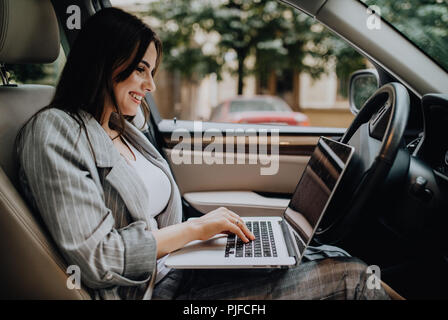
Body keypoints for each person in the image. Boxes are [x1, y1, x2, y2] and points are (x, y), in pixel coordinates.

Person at [15, 7, 389, 300]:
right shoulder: (54, 131)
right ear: (103, 63)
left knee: (324, 254)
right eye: (141, 69)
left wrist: (208, 236)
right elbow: (98, 260)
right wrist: (195, 230)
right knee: (352, 278)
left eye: (153, 70)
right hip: (147, 292)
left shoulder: (121, 128)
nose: (151, 84)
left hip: (177, 273)